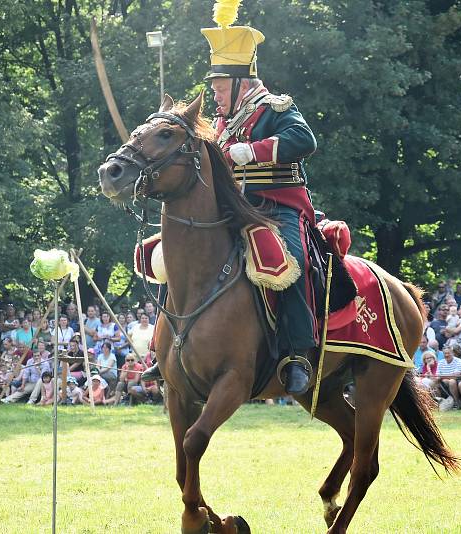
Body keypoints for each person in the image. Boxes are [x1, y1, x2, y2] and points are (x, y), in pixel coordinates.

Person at [152, 21, 318, 396]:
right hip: (235, 209)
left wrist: (254, 151)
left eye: (220, 85)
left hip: (278, 206)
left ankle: (296, 354)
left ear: (243, 83)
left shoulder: (275, 108)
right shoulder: (223, 123)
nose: (214, 92)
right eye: (213, 86)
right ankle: (164, 351)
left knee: (287, 262)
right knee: (175, 257)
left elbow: (304, 139)